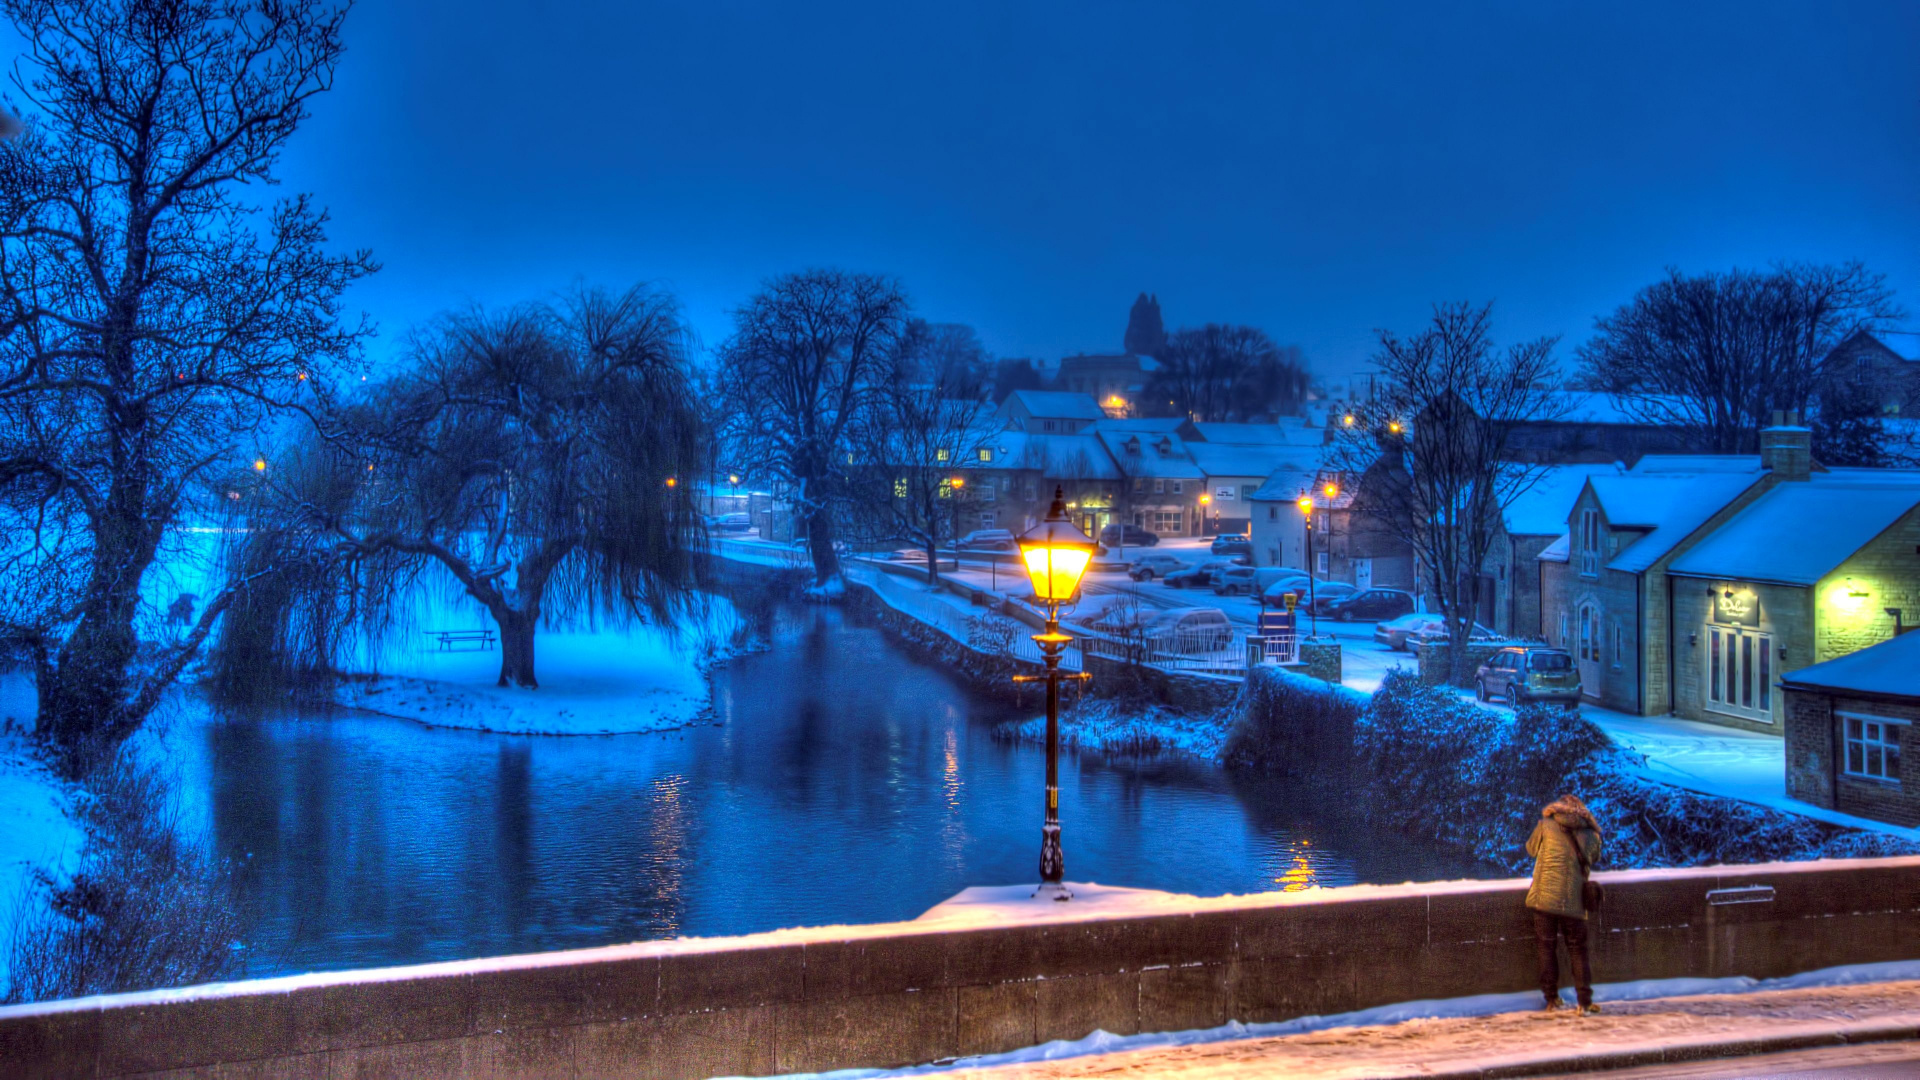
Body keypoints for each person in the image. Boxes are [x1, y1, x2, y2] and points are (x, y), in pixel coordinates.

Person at [1526, 793, 1603, 1013]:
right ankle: (1584, 1002)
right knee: (1578, 951)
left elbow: (1531, 849)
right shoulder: (1591, 833)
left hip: (1544, 899)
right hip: (1573, 899)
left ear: (1558, 809)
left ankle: (1552, 999)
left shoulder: (1545, 825)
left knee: (1546, 948)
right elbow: (1594, 858)